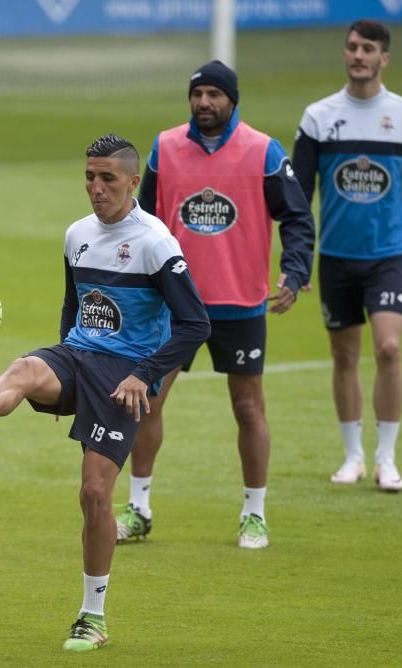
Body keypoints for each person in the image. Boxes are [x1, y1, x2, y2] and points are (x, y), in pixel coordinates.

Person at [0, 134, 211, 651]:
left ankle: (93, 616)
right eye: (88, 176)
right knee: (22, 368)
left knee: (93, 494)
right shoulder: (76, 234)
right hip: (78, 355)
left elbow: (196, 324)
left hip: (124, 374)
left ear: (133, 181)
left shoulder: (155, 243)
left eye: (107, 179)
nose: (95, 188)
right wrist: (65, 379)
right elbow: (72, 304)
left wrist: (143, 376)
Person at [119, 61, 316, 549]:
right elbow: (140, 219)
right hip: (174, 306)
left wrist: (295, 270)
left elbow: (296, 217)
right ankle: (139, 508)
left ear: (232, 99)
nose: (204, 102)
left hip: (241, 305)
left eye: (214, 94)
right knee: (146, 403)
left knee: (249, 408)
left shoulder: (264, 151)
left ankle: (254, 513)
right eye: (197, 94)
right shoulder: (165, 149)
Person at [292, 19, 402, 492]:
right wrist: (298, 260)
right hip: (336, 257)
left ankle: (387, 457)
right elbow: (299, 195)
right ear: (345, 54)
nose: (359, 55)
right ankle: (353, 455)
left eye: (369, 49)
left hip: (387, 256)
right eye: (353, 47)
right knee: (344, 356)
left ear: (384, 58)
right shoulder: (319, 116)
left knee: (389, 348)